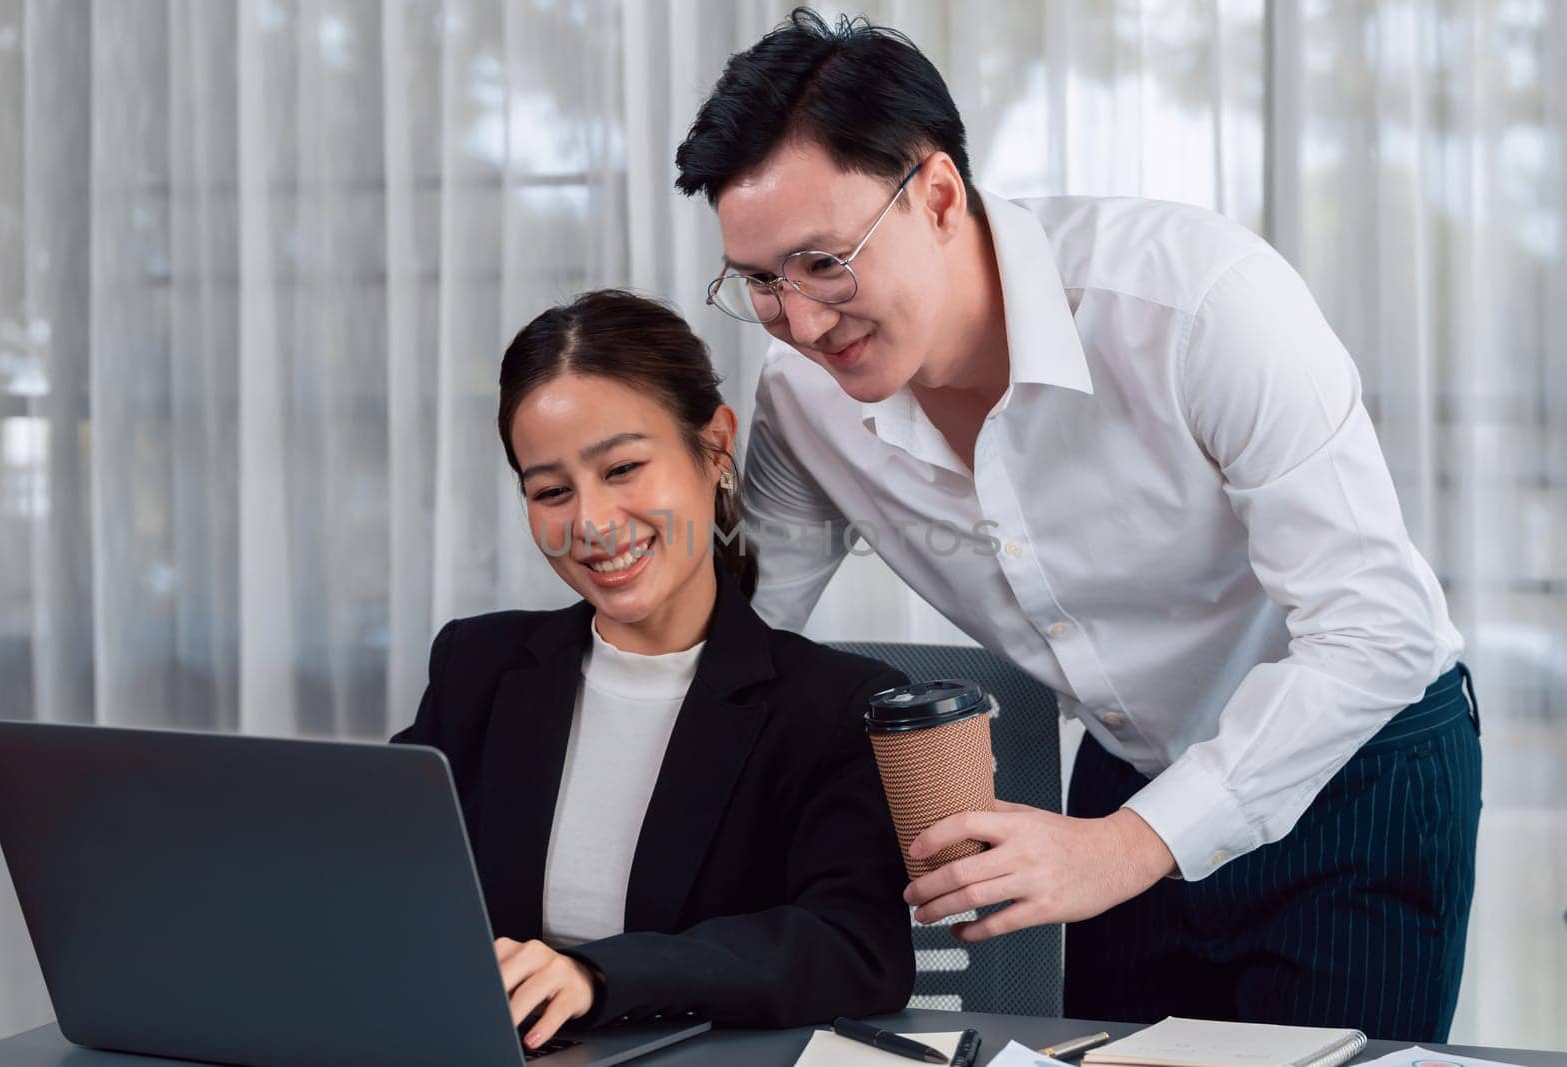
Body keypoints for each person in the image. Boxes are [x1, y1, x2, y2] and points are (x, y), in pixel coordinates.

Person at [674, 7, 1481, 1042]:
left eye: (824, 261)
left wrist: (1125, 846)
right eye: (759, 282)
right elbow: (750, 658)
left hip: (1353, 762)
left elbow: (1377, 628)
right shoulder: (805, 403)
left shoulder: (1199, 306)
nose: (801, 319)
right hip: (1122, 769)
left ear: (934, 194)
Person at [391, 290, 915, 1050]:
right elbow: (378, 874)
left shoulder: (832, 706)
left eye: (624, 467)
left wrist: (597, 976)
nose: (593, 523)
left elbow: (854, 948)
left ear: (714, 449)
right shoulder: (479, 665)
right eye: (551, 491)